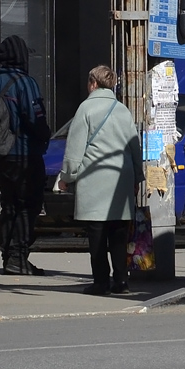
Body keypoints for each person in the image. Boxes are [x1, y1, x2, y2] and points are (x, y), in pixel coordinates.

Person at [0, 35, 51, 276]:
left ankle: (10, 257)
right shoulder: (26, 83)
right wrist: (43, 135)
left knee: (10, 203)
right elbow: (36, 120)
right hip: (24, 154)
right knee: (29, 205)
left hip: (0, 155)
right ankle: (18, 257)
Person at [59, 65, 143, 295]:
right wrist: (137, 176)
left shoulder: (85, 109)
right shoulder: (123, 110)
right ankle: (121, 281)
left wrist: (67, 177)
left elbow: (75, 150)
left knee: (96, 236)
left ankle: (100, 282)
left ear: (93, 83)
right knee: (118, 235)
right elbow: (134, 147)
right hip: (121, 182)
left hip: (94, 181)